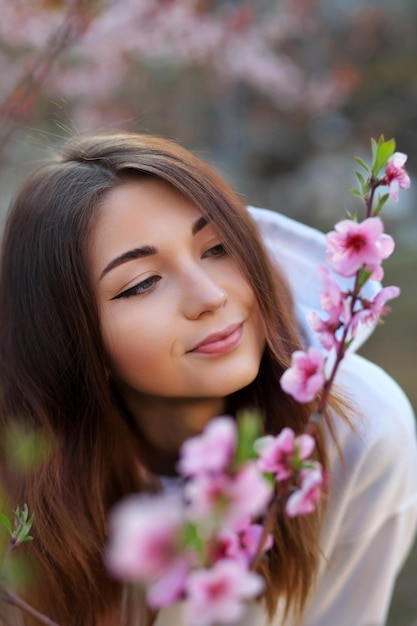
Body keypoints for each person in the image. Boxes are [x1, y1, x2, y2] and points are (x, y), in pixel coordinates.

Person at [0, 132, 415, 626]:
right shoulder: (24, 486)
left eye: (217, 247)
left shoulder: (359, 430)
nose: (209, 296)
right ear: (71, 338)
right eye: (141, 284)